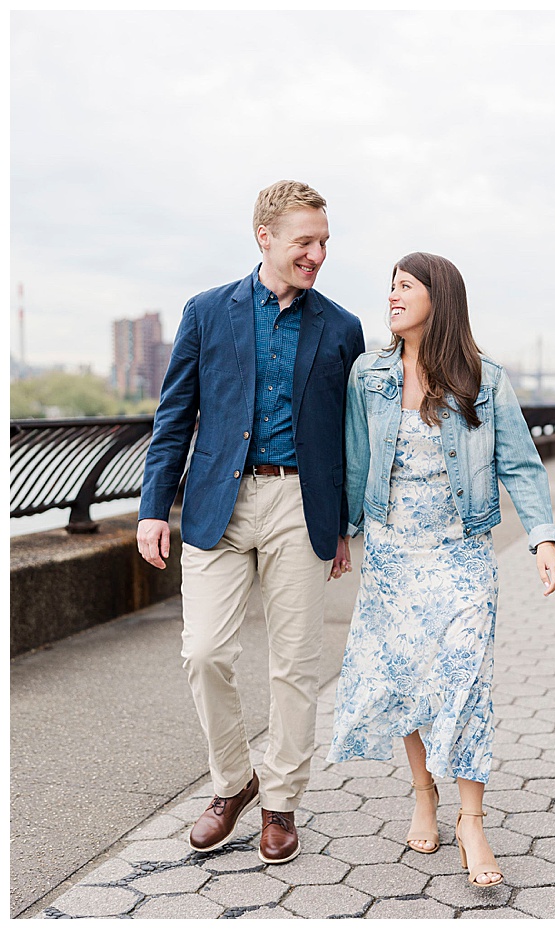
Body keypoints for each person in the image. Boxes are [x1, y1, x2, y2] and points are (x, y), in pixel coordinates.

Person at [135, 181, 367, 864]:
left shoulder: (342, 327)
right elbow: (173, 416)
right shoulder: (208, 312)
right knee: (203, 651)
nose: (317, 254)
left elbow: (351, 435)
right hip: (217, 505)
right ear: (264, 237)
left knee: (296, 664)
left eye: (324, 241)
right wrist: (153, 508)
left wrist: (345, 524)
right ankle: (233, 783)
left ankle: (281, 803)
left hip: (301, 506)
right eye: (305, 241)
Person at [327, 252, 555, 887]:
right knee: (409, 678)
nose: (392, 297)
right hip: (390, 551)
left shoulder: (486, 381)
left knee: (465, 677)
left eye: (405, 287)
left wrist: (544, 539)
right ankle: (423, 791)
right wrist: (345, 535)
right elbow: (355, 458)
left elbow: (519, 463)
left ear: (440, 298)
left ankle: (471, 818)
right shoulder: (367, 374)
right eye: (391, 288)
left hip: (460, 552)